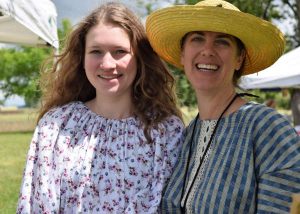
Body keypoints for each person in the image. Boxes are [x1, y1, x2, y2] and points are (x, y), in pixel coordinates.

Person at [17, 2, 184, 213]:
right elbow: (36, 204)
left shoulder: (165, 131)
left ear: (140, 59)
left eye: (119, 51)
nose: (107, 63)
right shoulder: (56, 126)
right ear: (82, 58)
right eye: (96, 51)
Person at [146, 0, 300, 213]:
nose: (207, 50)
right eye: (197, 39)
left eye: (222, 42)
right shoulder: (187, 135)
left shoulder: (267, 128)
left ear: (239, 59)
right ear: (183, 55)